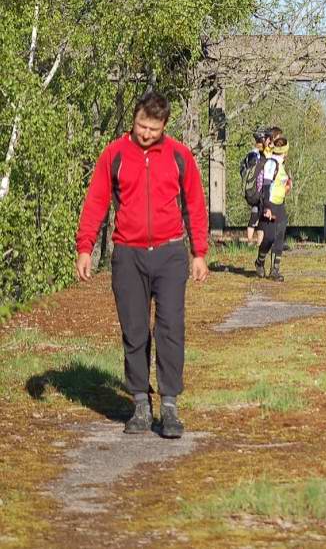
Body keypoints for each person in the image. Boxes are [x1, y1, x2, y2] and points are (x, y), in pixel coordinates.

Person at [75, 91, 209, 439]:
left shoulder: (179, 156)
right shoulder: (114, 154)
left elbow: (195, 204)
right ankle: (138, 403)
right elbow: (97, 200)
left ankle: (169, 407)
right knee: (134, 331)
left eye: (152, 128)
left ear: (164, 125)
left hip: (170, 253)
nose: (145, 133)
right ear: (133, 120)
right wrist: (85, 247)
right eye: (140, 125)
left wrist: (199, 253)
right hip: (128, 255)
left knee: (170, 329)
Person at [255, 136, 292, 281]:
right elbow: (265, 185)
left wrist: (287, 186)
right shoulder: (271, 163)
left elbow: (279, 186)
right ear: (285, 152)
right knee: (269, 238)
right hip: (269, 205)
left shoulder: (281, 165)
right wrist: (267, 208)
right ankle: (259, 262)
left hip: (280, 205)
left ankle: (275, 270)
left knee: (279, 238)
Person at [240, 128, 271, 245]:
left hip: (251, 190)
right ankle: (259, 243)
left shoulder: (251, 154)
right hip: (260, 190)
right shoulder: (262, 155)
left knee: (254, 213)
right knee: (261, 218)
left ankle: (250, 241)